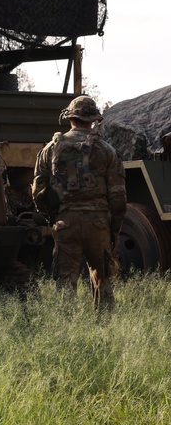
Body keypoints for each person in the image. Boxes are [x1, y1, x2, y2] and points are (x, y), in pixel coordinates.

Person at [32, 95, 126, 309]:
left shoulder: (50, 149)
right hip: (98, 224)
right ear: (93, 120)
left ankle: (67, 331)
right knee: (102, 280)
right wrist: (115, 229)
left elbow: (38, 191)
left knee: (64, 282)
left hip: (66, 223)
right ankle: (106, 329)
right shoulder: (107, 151)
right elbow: (119, 197)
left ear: (70, 118)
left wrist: (53, 217)